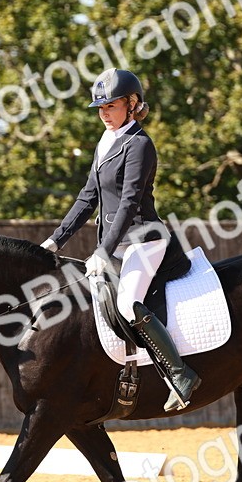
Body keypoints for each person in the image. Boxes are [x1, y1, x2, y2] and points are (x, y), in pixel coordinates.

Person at [40, 68, 201, 412]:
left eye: (110, 106)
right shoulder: (106, 142)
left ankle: (181, 373)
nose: (103, 113)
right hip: (118, 244)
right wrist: (55, 241)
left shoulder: (139, 145)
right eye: (100, 108)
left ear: (132, 104)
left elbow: (129, 202)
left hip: (145, 240)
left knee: (128, 303)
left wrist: (102, 250)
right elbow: (88, 197)